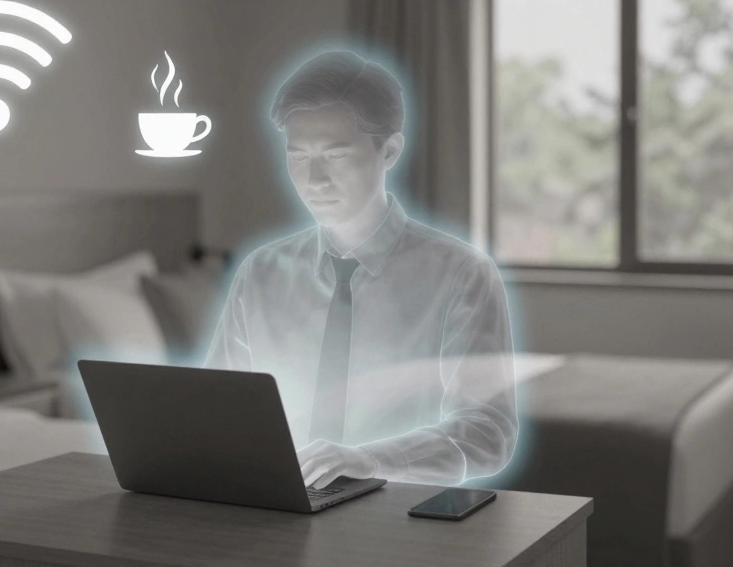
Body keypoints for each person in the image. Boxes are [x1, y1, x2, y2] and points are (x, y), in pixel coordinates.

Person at [203, 50, 517, 489]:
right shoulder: (260, 274)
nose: (314, 180)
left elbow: (487, 434)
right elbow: (216, 409)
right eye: (298, 157)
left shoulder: (462, 275)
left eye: (334, 155)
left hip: (399, 518)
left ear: (389, 151)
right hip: (274, 511)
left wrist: (369, 460)